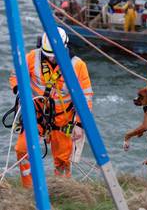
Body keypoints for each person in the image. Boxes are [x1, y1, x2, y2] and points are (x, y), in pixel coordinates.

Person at [9, 27, 93, 188]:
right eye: (49, 56)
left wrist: (79, 124)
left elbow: (86, 97)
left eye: (56, 56)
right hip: (37, 114)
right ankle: (29, 188)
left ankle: (62, 190)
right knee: (22, 149)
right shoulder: (32, 58)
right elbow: (15, 75)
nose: (53, 60)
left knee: (62, 160)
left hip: (63, 119)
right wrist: (19, 91)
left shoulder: (78, 65)